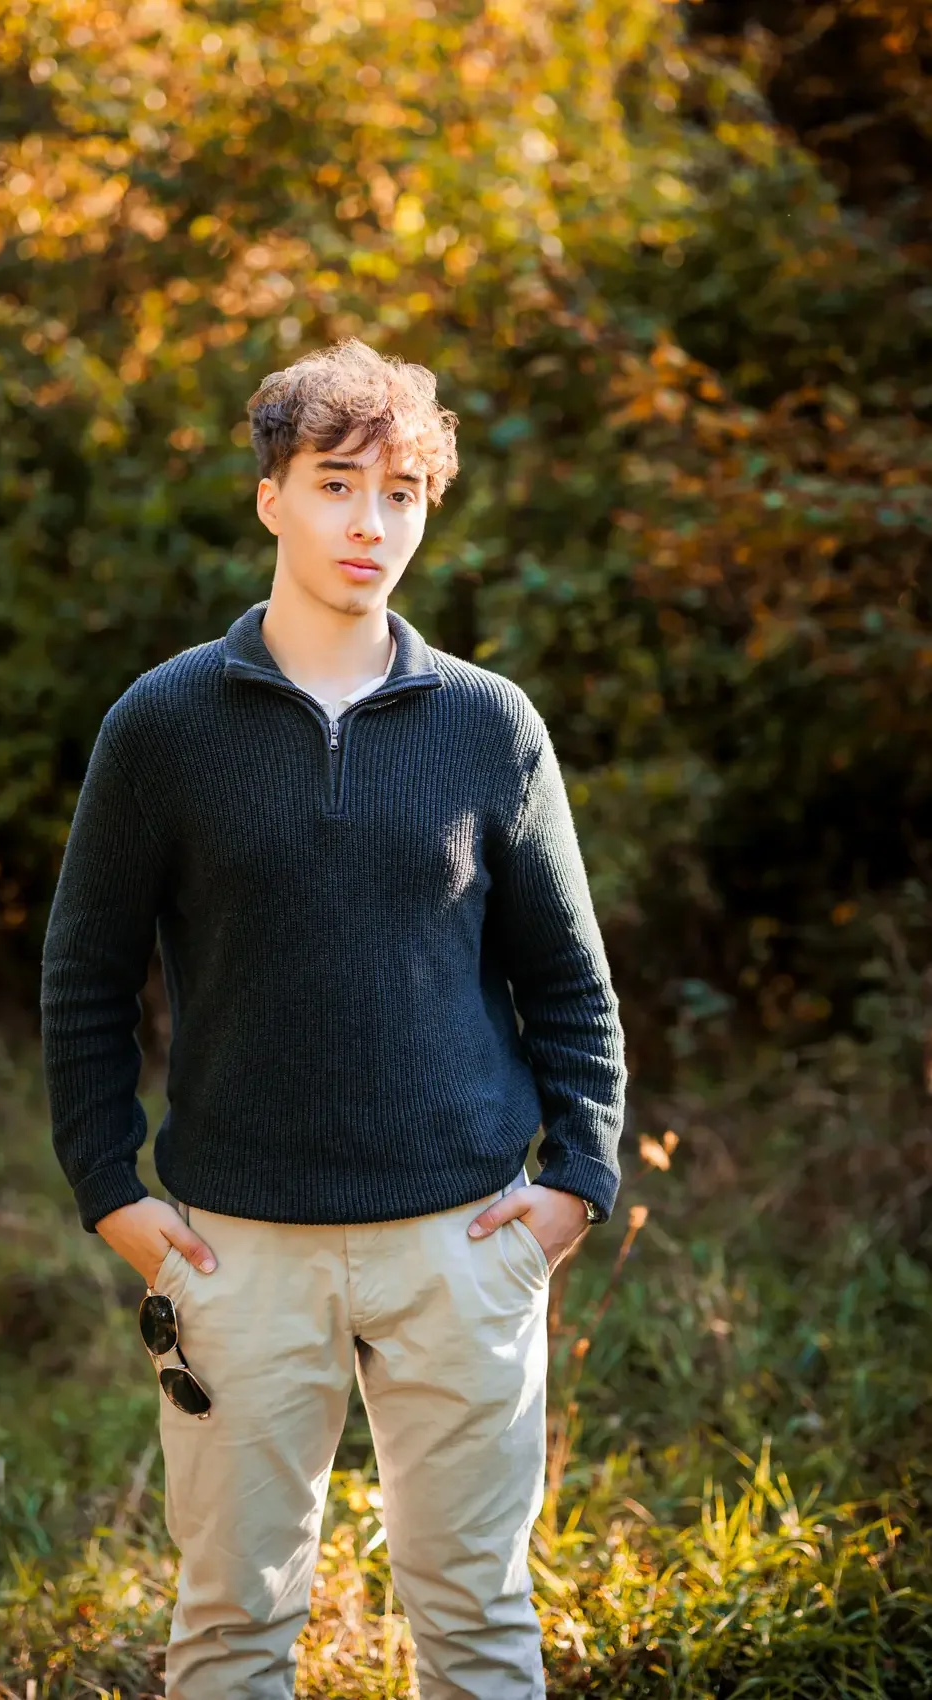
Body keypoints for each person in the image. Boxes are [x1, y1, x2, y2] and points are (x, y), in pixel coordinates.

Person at [40, 337, 627, 1700]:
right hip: (235, 1248)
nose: (373, 524)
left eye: (405, 493)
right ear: (271, 497)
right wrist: (109, 1193)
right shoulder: (165, 724)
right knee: (234, 1632)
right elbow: (85, 973)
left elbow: (570, 981)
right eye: (337, 483)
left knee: (479, 1624)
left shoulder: (492, 726)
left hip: (461, 1239)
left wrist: (576, 1187)